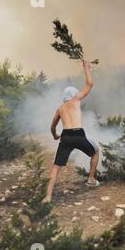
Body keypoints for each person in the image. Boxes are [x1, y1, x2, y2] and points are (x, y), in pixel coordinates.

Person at [42, 60, 100, 203]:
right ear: (74, 94)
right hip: (78, 134)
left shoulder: (60, 108)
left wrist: (56, 136)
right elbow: (89, 84)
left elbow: (52, 126)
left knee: (56, 167)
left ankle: (48, 197)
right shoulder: (75, 100)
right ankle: (91, 179)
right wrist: (86, 68)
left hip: (66, 136)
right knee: (96, 151)